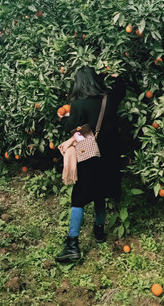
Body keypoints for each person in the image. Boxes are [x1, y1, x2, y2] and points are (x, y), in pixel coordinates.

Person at [55, 66, 126, 263]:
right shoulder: (108, 98)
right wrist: (114, 75)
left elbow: (73, 129)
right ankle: (99, 231)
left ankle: (72, 244)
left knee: (79, 198)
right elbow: (121, 88)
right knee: (101, 192)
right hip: (109, 155)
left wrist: (63, 119)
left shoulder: (78, 104)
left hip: (89, 155)